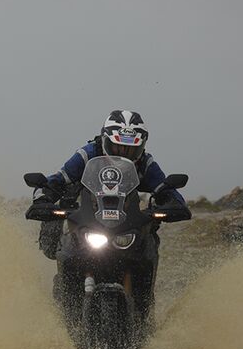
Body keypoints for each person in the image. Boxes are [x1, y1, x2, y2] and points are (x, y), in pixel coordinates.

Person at [29, 109, 186, 258]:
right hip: (85, 215)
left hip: (128, 222)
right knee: (56, 244)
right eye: (117, 147)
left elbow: (165, 189)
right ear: (105, 141)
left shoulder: (146, 163)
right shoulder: (87, 154)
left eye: (130, 150)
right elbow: (58, 180)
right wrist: (43, 200)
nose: (123, 153)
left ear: (141, 147)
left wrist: (174, 205)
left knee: (149, 242)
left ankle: (144, 280)